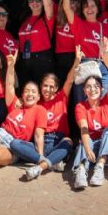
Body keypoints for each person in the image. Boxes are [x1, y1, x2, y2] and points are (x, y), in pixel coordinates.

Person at [22, 46, 82, 180]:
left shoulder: (62, 97)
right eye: (45, 85)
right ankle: (52, 162)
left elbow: (70, 80)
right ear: (41, 86)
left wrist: (77, 61)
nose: (47, 89)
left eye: (51, 86)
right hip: (41, 142)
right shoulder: (36, 102)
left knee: (68, 142)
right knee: (15, 144)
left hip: (59, 140)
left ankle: (40, 167)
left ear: (56, 88)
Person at [60, 0, 108, 103]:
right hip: (83, 65)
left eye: (92, 6)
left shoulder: (105, 27)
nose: (89, 9)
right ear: (82, 9)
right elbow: (66, 8)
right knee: (82, 104)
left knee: (101, 103)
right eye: (86, 6)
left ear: (97, 8)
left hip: (102, 67)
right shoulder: (78, 24)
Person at [71, 38, 108, 190]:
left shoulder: (107, 102)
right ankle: (82, 170)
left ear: (101, 88)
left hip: (107, 147)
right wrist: (87, 146)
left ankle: (99, 167)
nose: (93, 89)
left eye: (96, 86)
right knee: (84, 141)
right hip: (90, 144)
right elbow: (83, 129)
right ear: (84, 90)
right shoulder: (80, 106)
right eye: (89, 87)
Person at [17, 0, 55, 86]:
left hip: (42, 60)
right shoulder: (24, 20)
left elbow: (49, 4)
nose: (35, 2)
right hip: (25, 60)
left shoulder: (47, 17)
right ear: (28, 2)